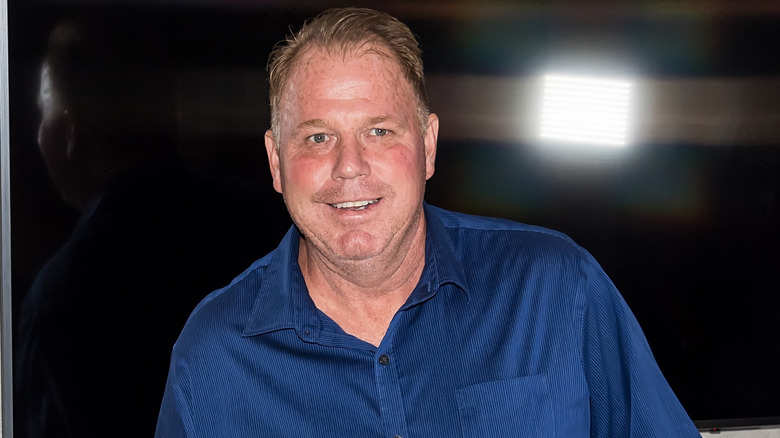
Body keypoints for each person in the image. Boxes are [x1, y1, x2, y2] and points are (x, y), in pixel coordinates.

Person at [155, 7, 700, 437]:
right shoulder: (213, 357)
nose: (350, 166)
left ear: (428, 146)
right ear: (276, 162)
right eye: (318, 137)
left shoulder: (557, 287)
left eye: (380, 131)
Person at [15, 17, 287, 438]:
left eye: (43, 115)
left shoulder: (63, 297)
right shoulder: (273, 227)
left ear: (70, 133)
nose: (37, 137)